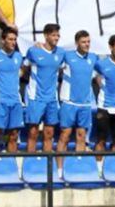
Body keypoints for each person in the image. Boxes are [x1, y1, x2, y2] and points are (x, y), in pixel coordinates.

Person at [56, 30, 98, 171]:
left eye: (88, 42)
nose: (86, 44)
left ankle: (79, 168)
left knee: (81, 136)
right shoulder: (67, 56)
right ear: (77, 43)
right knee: (65, 135)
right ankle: (60, 170)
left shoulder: (93, 58)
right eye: (83, 42)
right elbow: (51, 56)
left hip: (85, 104)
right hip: (69, 103)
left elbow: (104, 71)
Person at [22, 23, 65, 153]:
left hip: (52, 99)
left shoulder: (61, 53)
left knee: (49, 133)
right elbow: (24, 68)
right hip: (35, 98)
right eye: (53, 35)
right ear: (46, 36)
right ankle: (30, 164)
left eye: (58, 35)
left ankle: (47, 167)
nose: (56, 38)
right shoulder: (33, 51)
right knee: (33, 132)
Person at [0, 27, 25, 153]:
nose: (13, 42)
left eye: (15, 39)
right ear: (3, 40)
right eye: (10, 39)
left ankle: (11, 166)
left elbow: (24, 69)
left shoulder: (18, 57)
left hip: (15, 101)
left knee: (13, 135)